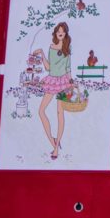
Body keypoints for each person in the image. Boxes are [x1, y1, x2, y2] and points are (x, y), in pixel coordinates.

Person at [33, 21, 74, 160]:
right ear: (56, 33)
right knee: (41, 111)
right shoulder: (51, 47)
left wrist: (71, 84)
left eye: (62, 30)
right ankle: (53, 141)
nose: (60, 32)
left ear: (65, 33)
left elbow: (68, 68)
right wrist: (42, 54)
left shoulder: (67, 48)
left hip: (63, 81)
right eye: (58, 31)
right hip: (52, 80)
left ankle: (56, 149)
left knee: (59, 114)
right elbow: (48, 67)